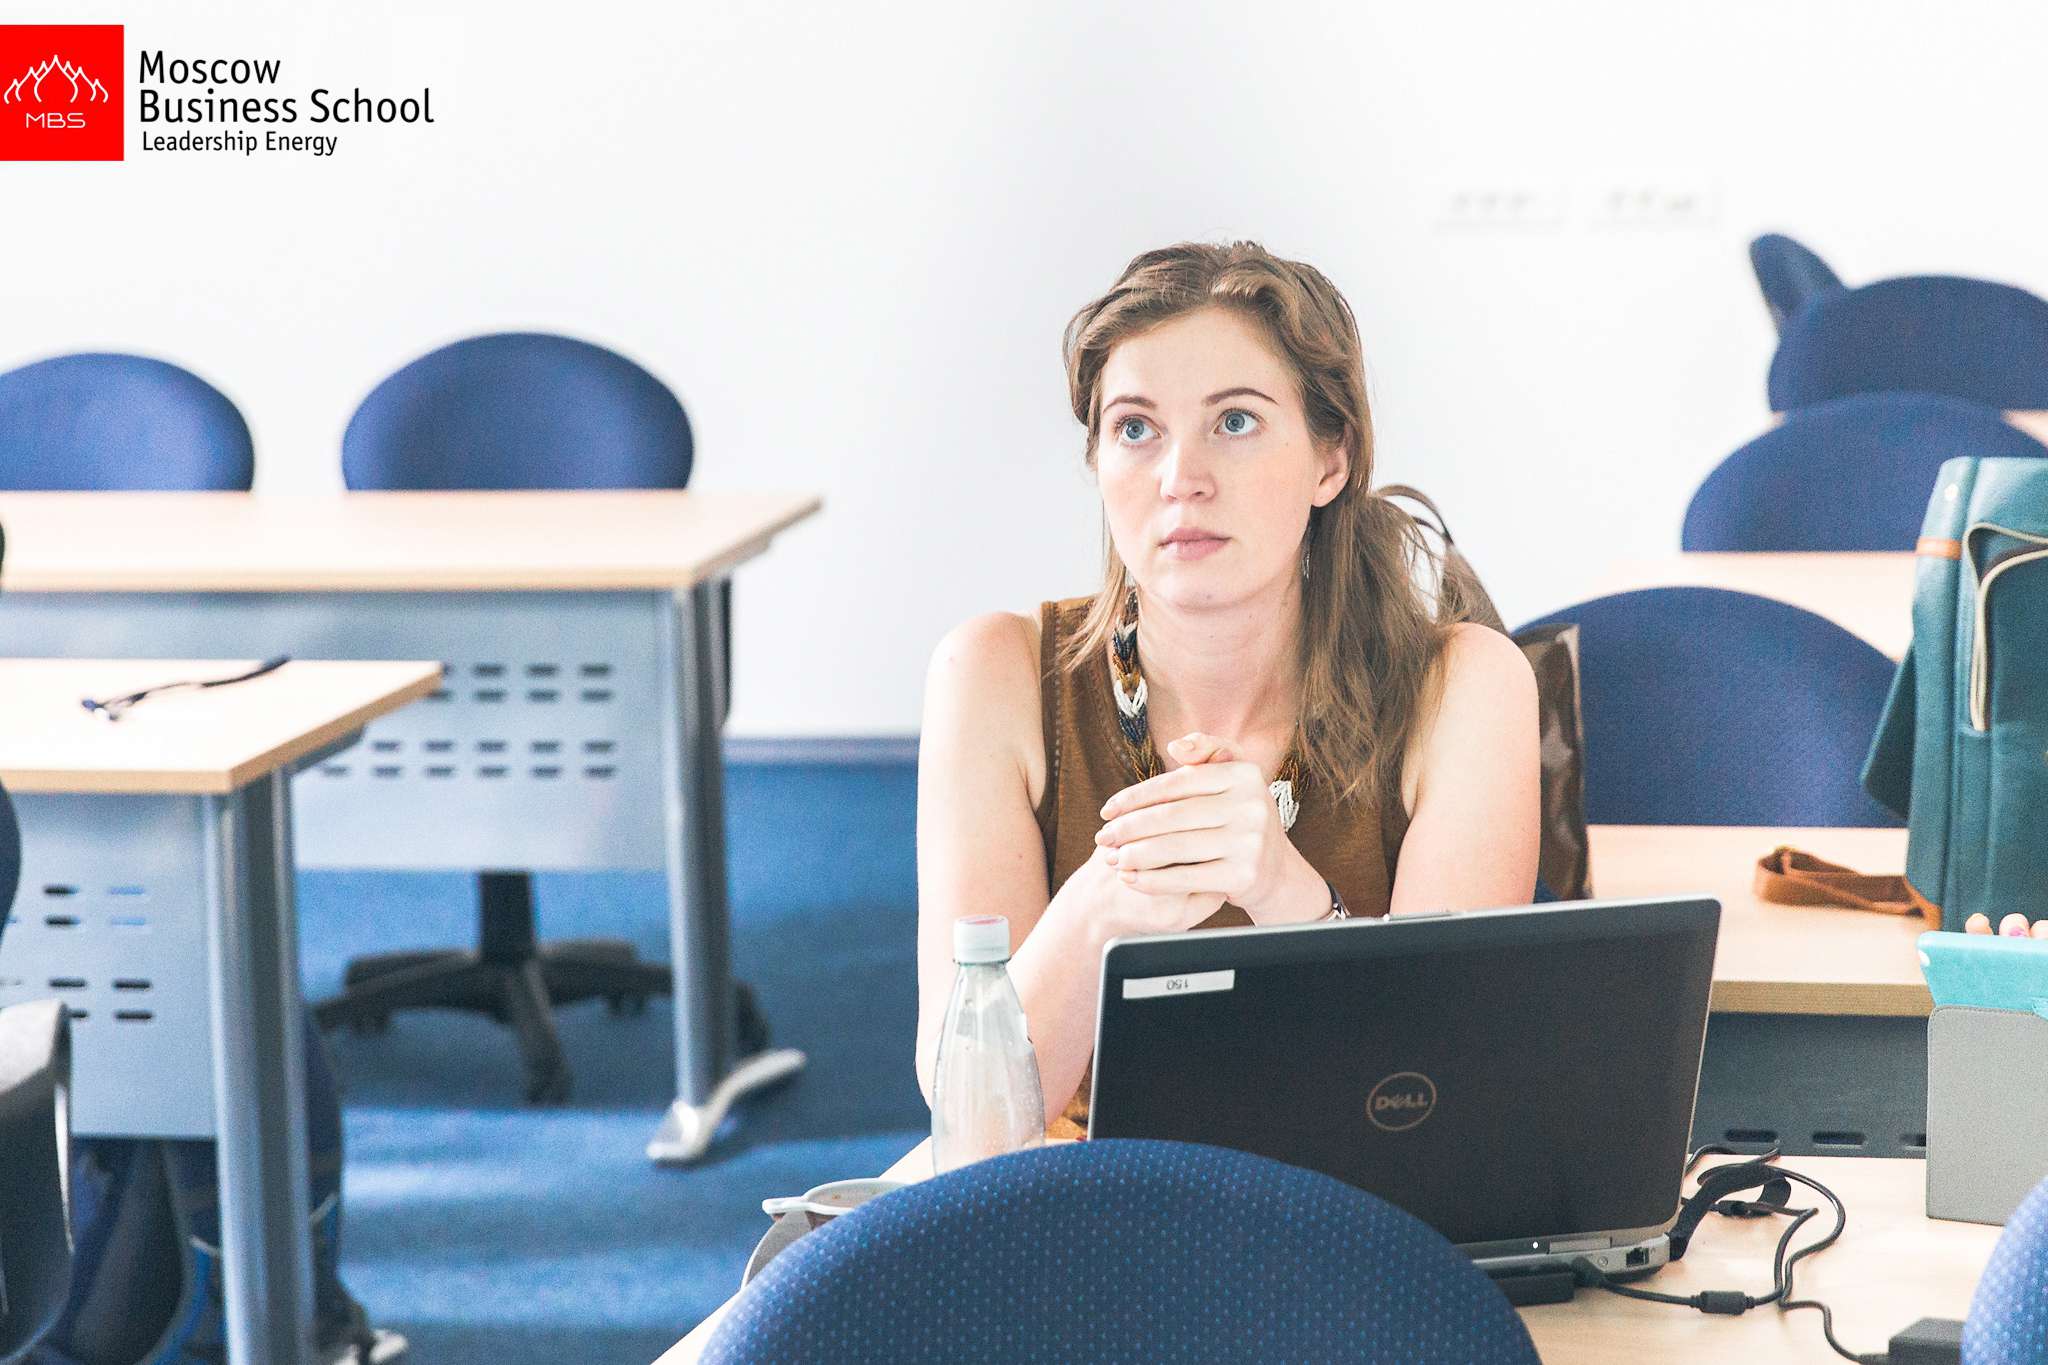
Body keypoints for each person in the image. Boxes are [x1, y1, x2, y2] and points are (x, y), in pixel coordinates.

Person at [915, 241, 1541, 1139]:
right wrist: (1101, 904)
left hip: (1345, 1194)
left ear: (1332, 459)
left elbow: (1438, 1092)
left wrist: (1289, 896)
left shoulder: (1465, 686)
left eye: (1235, 421)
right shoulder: (992, 674)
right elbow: (973, 1116)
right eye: (1136, 429)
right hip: (1081, 1199)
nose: (1181, 479)